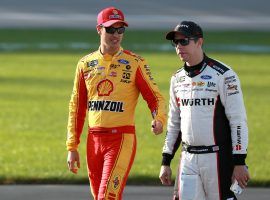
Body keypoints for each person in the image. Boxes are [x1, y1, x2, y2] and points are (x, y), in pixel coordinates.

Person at [66, 7, 166, 200]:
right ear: (99, 29)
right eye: (111, 29)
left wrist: (159, 119)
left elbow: (155, 98)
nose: (116, 35)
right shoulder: (85, 64)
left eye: (121, 30)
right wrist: (72, 146)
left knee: (107, 197)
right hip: (93, 140)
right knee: (100, 197)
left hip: (121, 138)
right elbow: (76, 107)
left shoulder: (135, 62)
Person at [159, 21, 250, 200]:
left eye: (184, 41)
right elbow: (174, 123)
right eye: (176, 42)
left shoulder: (224, 74)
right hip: (188, 158)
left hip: (217, 158)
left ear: (199, 42)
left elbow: (238, 120)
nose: (179, 46)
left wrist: (239, 162)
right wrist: (166, 161)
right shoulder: (176, 78)